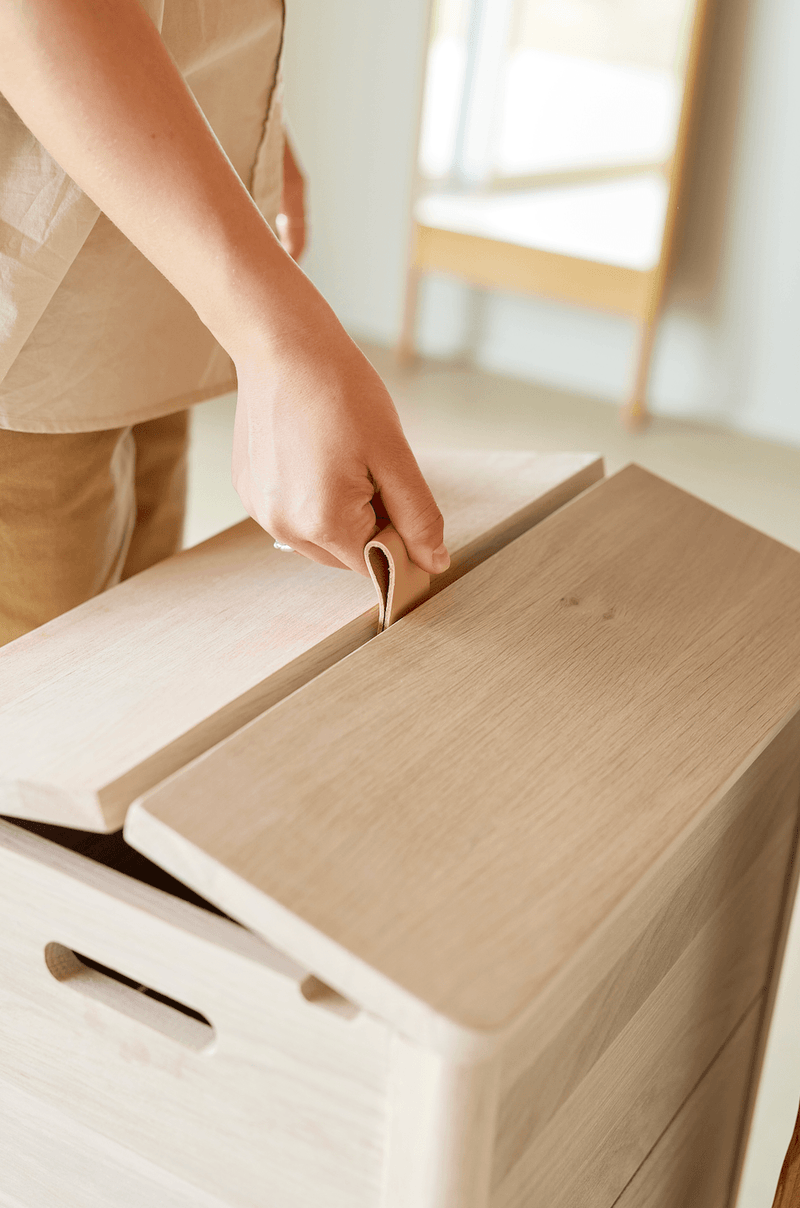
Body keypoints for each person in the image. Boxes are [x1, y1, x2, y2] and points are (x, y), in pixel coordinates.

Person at [0, 0, 449, 648]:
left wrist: (250, 124)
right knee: (54, 713)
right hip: (33, 325)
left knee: (135, 665)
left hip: (161, 269)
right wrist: (280, 341)